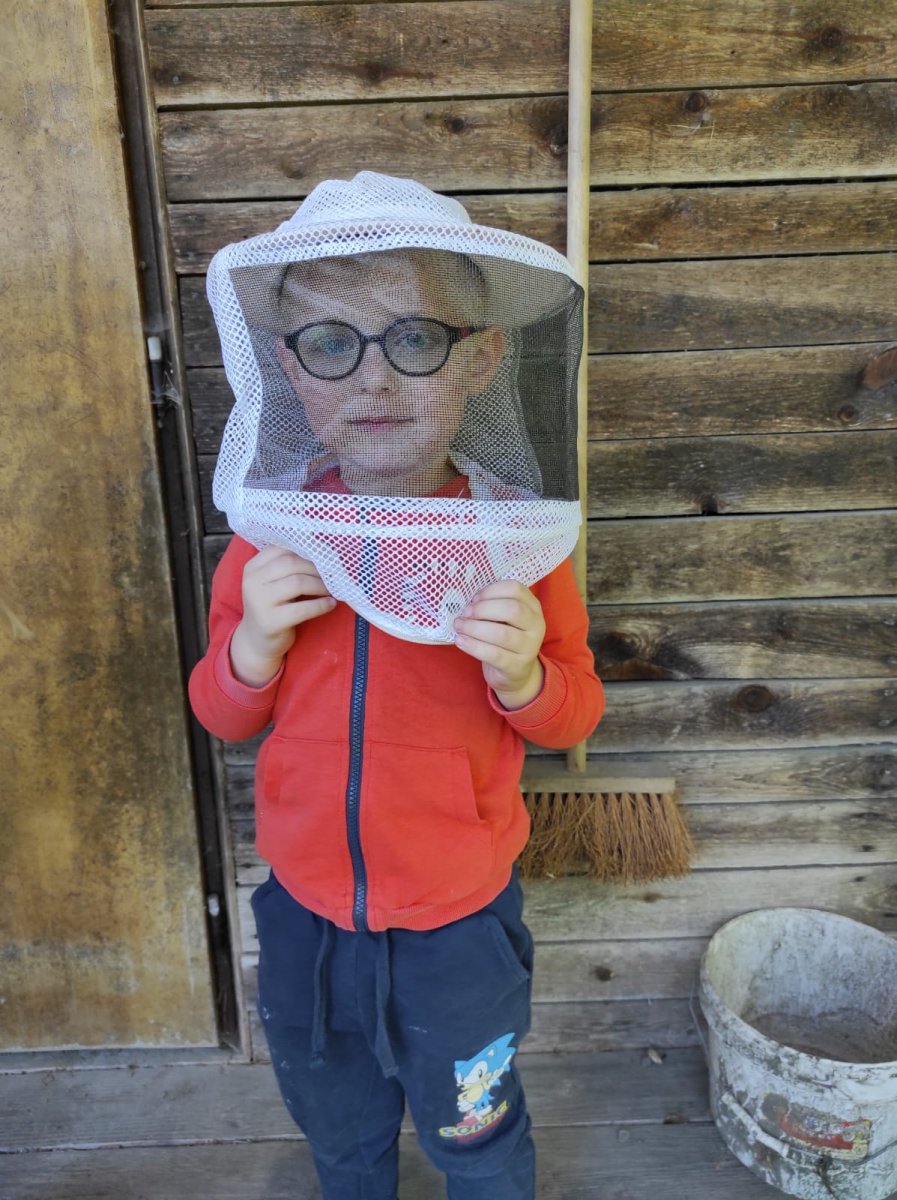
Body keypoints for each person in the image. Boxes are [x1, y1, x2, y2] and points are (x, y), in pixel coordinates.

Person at [189, 172, 605, 1200]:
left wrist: (523, 673)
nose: (373, 381)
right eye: (331, 344)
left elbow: (574, 711)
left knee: (478, 1134)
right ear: (290, 370)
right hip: (306, 913)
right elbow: (220, 712)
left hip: (458, 923)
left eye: (415, 338)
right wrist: (253, 650)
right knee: (339, 1129)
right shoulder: (272, 536)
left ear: (481, 359)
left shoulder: (516, 541)